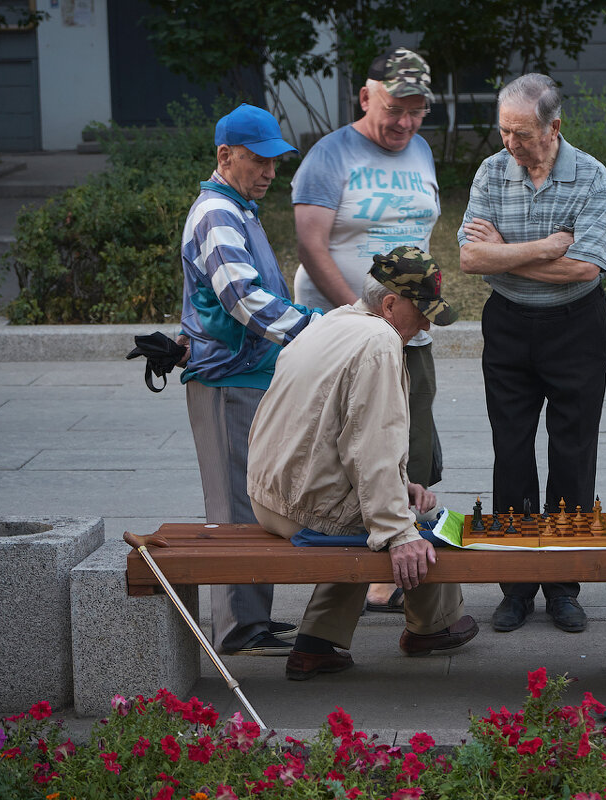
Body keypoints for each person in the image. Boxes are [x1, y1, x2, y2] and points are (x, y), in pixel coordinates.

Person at [247, 247, 478, 681]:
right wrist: (399, 530)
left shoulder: (331, 322)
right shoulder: (380, 341)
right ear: (389, 304)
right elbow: (372, 444)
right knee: (422, 525)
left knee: (381, 509)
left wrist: (398, 484)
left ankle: (318, 645)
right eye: (422, 312)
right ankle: (432, 628)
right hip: (304, 506)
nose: (427, 325)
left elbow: (340, 440)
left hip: (268, 496)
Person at [458, 73, 606, 634]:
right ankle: (517, 585)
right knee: (512, 449)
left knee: (573, 452)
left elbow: (586, 267)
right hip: (508, 326)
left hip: (576, 325)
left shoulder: (591, 176)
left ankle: (565, 586)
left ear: (554, 127)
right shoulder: (491, 171)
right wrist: (546, 247)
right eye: (503, 131)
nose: (509, 144)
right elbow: (471, 259)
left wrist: (507, 253)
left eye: (521, 133)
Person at [292, 47, 442, 614]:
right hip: (349, 334)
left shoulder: (422, 151)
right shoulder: (329, 156)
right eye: (394, 108)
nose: (405, 122)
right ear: (365, 96)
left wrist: (413, 316)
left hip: (409, 333)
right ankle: (364, 578)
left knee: (413, 454)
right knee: (354, 451)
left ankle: (398, 571)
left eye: (417, 110)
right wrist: (365, 321)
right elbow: (311, 244)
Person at [178, 103, 321, 658]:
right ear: (225, 155)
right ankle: (239, 629)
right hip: (226, 382)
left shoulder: (240, 209)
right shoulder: (217, 212)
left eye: (275, 163)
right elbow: (243, 300)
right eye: (258, 160)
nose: (269, 172)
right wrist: (318, 328)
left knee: (255, 497)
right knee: (235, 508)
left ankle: (252, 621)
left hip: (246, 376)